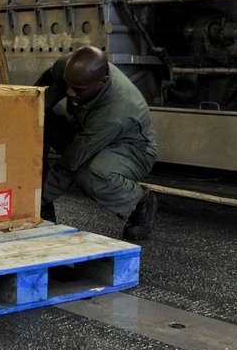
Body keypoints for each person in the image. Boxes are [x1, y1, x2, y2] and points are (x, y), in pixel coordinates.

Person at [36, 46, 159, 240]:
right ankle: (41, 203)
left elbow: (70, 163)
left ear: (103, 82)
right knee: (40, 120)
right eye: (67, 85)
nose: (69, 93)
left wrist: (37, 200)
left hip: (130, 149)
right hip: (87, 130)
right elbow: (36, 102)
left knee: (89, 174)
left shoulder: (116, 112)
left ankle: (139, 202)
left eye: (78, 89)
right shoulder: (69, 68)